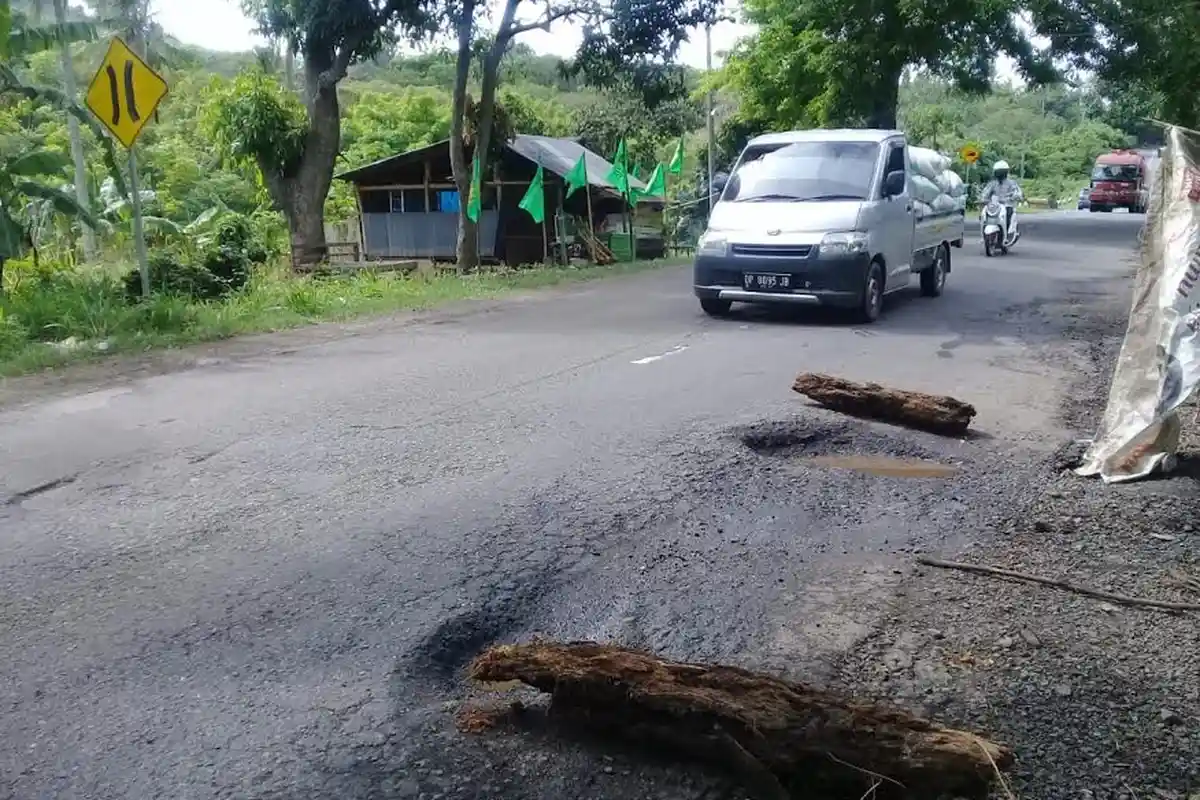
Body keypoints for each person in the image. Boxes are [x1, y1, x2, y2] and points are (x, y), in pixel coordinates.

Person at [980, 160, 1024, 239]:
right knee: (984, 215)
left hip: (1007, 205)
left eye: (1001, 172)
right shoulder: (992, 183)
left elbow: (1018, 193)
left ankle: (1007, 234)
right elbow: (985, 193)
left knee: (1008, 215)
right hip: (994, 206)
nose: (1000, 174)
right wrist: (983, 199)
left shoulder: (1011, 183)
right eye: (998, 172)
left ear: (1006, 172)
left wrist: (1014, 197)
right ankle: (984, 235)